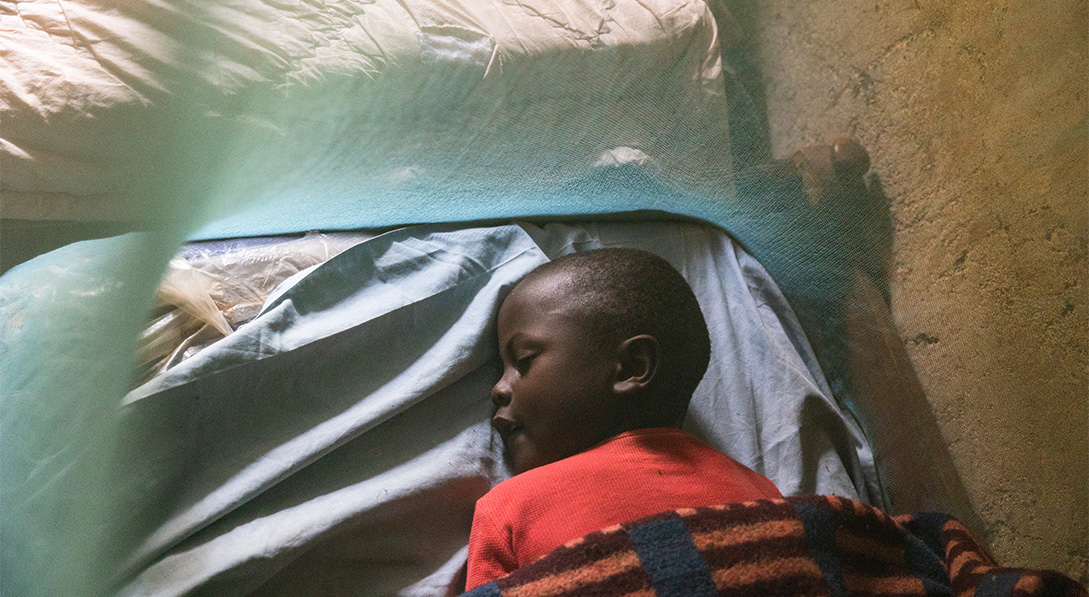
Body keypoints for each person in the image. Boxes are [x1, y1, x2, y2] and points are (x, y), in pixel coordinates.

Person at [463, 248, 783, 591]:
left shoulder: (511, 509)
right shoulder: (759, 492)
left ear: (632, 367)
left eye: (523, 360)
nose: (498, 389)